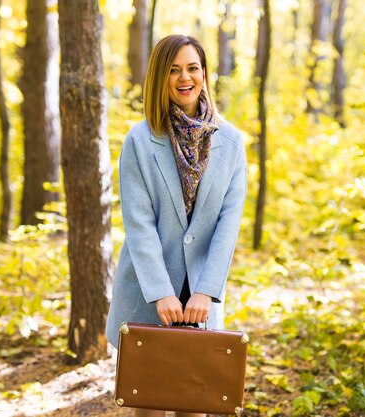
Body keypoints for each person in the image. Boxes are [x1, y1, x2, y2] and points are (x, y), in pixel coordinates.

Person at [105, 34, 247, 417]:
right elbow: (138, 223)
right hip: (151, 293)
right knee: (148, 404)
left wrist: (207, 291)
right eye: (173, 70)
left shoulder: (232, 142)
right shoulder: (139, 140)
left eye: (192, 68)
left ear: (204, 73)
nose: (185, 78)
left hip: (201, 296)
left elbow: (227, 224)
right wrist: (160, 293)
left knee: (194, 404)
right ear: (159, 77)